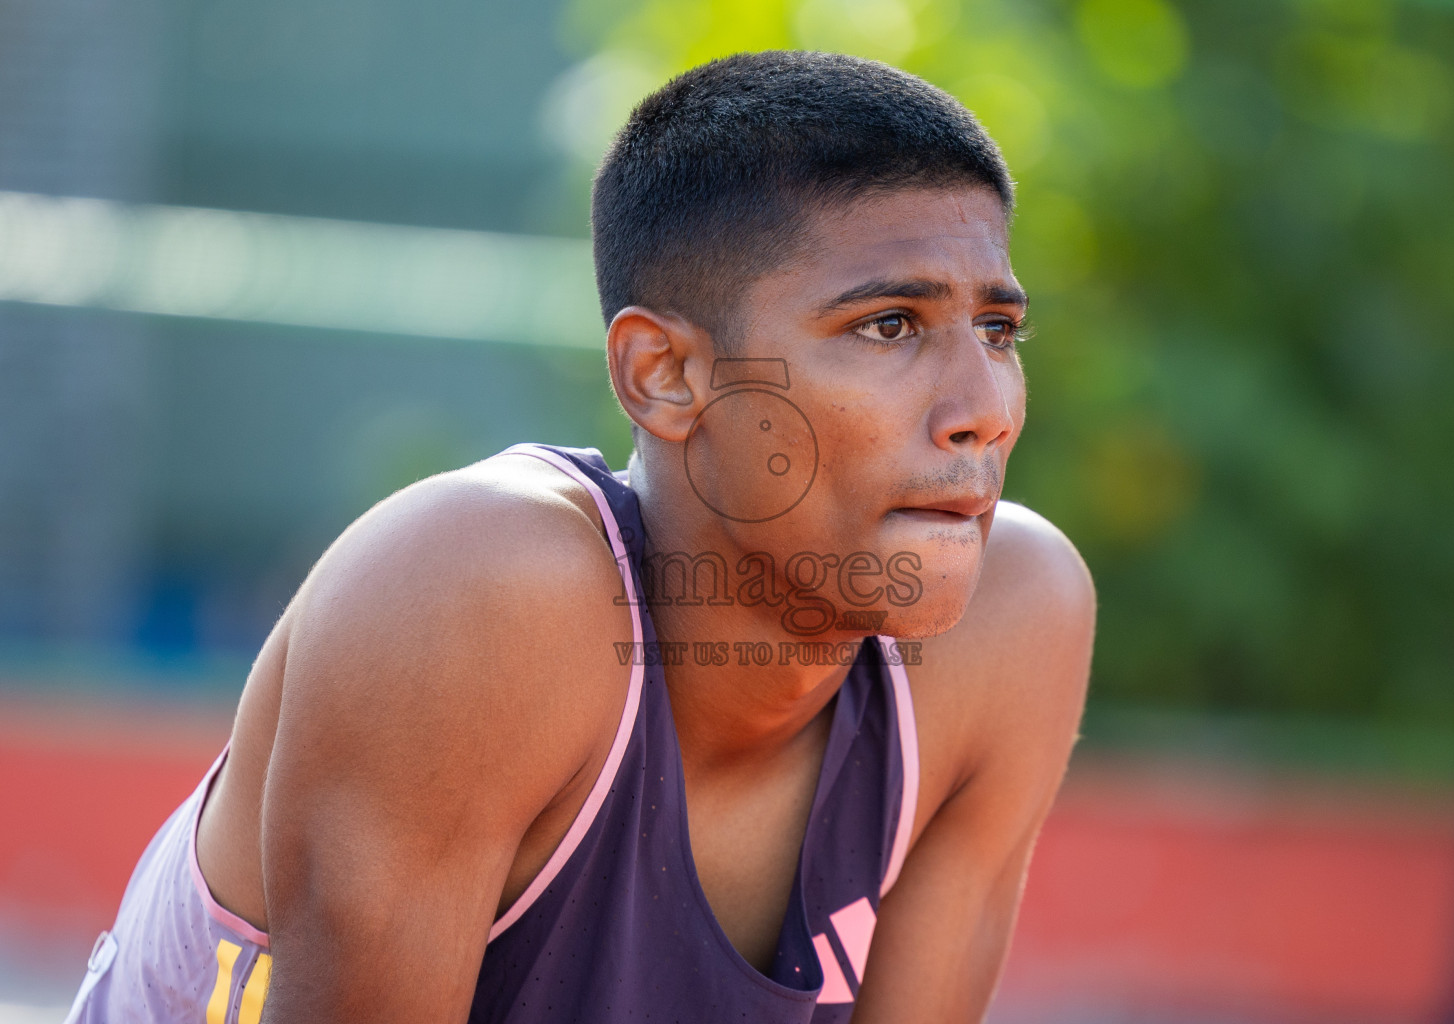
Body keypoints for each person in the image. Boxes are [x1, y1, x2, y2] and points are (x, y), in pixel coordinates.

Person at [64, 50, 1095, 1024]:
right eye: (890, 325)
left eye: (998, 331)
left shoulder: (1013, 617)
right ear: (664, 374)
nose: (984, 407)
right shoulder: (480, 589)